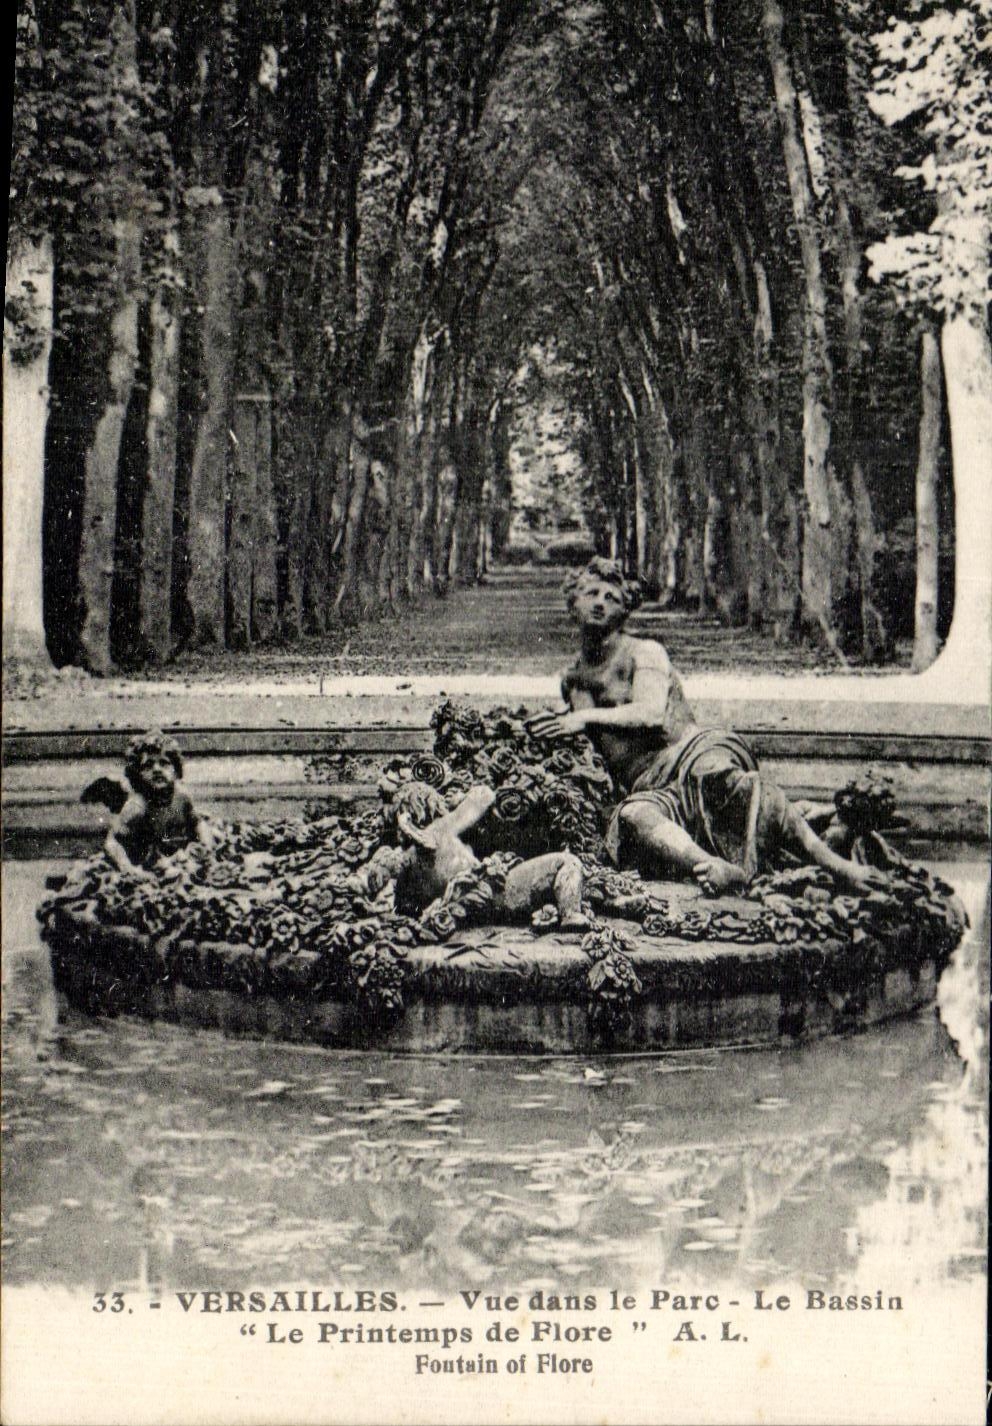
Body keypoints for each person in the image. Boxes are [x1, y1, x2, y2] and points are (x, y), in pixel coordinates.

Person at [526, 558, 885, 896]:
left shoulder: (644, 652)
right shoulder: (572, 681)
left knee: (720, 778)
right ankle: (714, 865)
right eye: (591, 594)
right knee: (635, 816)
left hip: (689, 752)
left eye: (612, 598)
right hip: (651, 785)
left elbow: (649, 713)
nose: (600, 603)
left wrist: (580, 718)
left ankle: (839, 867)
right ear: (573, 603)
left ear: (625, 610)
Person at [348, 780, 590, 928]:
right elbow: (484, 796)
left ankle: (556, 912)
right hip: (497, 891)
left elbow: (370, 882)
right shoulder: (441, 829)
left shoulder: (408, 853)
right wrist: (460, 800)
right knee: (567, 862)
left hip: (479, 898)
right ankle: (571, 914)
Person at [104, 729, 209, 878]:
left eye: (164, 763)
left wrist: (206, 846)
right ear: (137, 774)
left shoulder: (181, 798)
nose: (157, 770)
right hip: (147, 863)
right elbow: (112, 842)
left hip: (175, 856)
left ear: (176, 770)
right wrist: (127, 868)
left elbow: (198, 823)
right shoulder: (137, 807)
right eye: (148, 765)